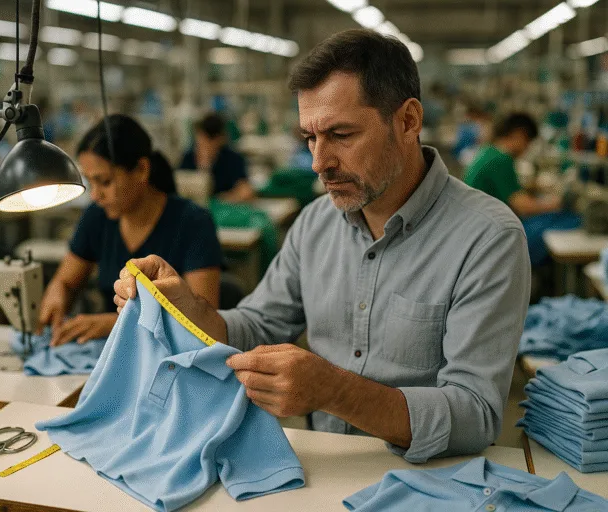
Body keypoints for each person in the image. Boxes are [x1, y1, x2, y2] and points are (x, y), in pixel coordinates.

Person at [115, 29, 531, 464]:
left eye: (341, 134)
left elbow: (476, 414)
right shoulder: (316, 223)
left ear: (408, 121)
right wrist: (187, 309)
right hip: (325, 466)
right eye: (311, 138)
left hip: (432, 478)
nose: (319, 163)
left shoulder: (488, 238)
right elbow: (257, 326)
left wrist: (334, 391)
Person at [38, 114, 222, 346]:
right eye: (90, 182)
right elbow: (65, 281)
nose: (95, 195)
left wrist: (112, 323)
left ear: (142, 170)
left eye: (104, 182)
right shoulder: (97, 217)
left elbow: (204, 322)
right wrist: (58, 293)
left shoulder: (193, 223)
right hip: (115, 352)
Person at [464, 113, 577, 266]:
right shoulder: (501, 159)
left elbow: (505, 189)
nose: (528, 147)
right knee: (571, 221)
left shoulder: (489, 152)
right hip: (492, 237)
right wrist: (559, 202)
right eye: (528, 141)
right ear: (519, 134)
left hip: (479, 231)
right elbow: (524, 206)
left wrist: (535, 187)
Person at [180, 113, 255, 203]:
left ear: (220, 139)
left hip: (225, 210)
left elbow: (246, 191)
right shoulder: (188, 158)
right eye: (201, 140)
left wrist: (224, 199)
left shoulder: (233, 159)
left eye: (210, 142)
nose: (205, 145)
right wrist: (203, 165)